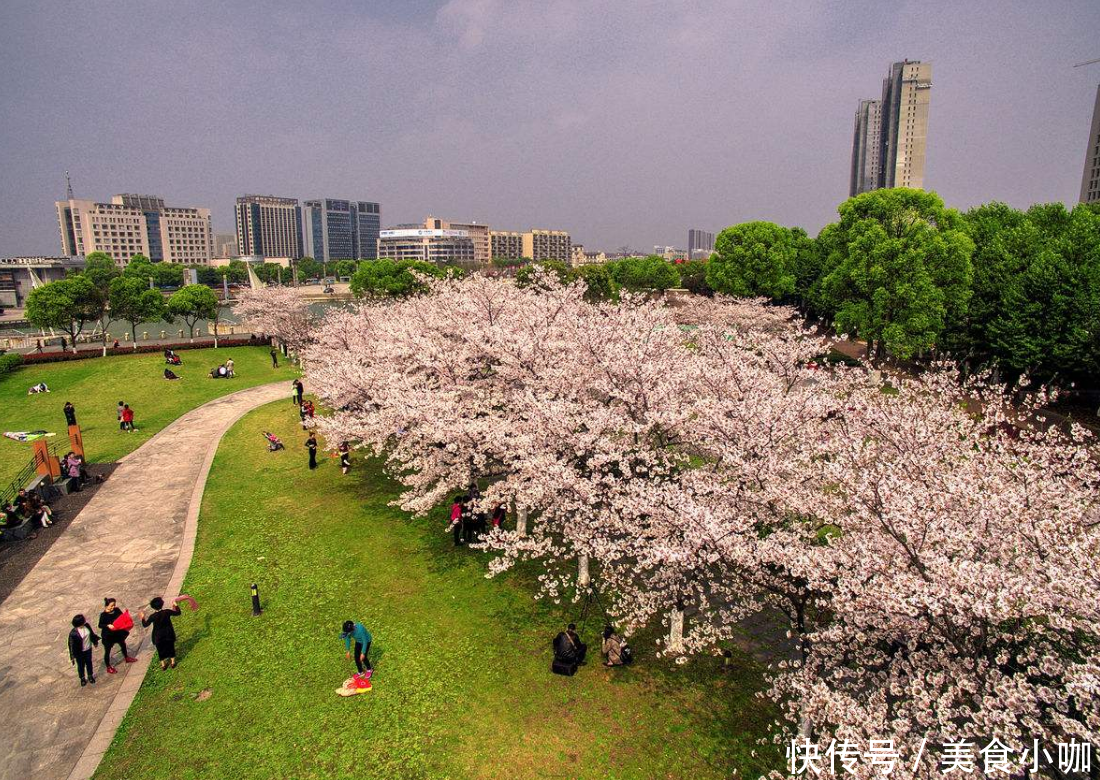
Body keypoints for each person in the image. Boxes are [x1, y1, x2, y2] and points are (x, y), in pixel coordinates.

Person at [140, 597, 182, 670]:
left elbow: (145, 624)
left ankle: (163, 665)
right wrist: (175, 605)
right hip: (168, 634)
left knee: (160, 650)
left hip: (158, 636)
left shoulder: (152, 616)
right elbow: (178, 613)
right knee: (171, 647)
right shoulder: (167, 612)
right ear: (162, 604)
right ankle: (173, 663)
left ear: (153, 607)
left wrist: (143, 617)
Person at [99, 598, 137, 673]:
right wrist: (107, 625)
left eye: (114, 605)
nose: (113, 607)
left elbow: (122, 617)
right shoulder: (103, 615)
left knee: (123, 645)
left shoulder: (117, 610)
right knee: (107, 651)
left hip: (118, 633)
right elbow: (100, 625)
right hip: (108, 636)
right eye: (111, 606)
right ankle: (108, 667)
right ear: (106, 606)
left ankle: (126, 657)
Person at [68, 614, 100, 687]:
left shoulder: (87, 626)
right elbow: (71, 645)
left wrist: (95, 642)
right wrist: (72, 656)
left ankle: (90, 676)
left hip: (88, 649)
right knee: (81, 665)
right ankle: (82, 678)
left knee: (89, 663)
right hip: (79, 652)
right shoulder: (73, 633)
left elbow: (91, 634)